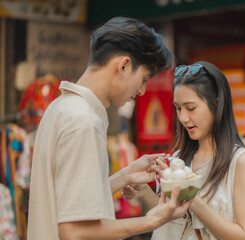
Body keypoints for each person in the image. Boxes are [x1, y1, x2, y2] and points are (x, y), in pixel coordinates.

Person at [27, 17, 192, 240]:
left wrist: (125, 175)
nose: (142, 90)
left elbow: (67, 202)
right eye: (143, 78)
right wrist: (154, 219)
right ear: (123, 66)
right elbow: (73, 232)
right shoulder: (84, 120)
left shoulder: (60, 107)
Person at [123, 61, 245, 239]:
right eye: (178, 108)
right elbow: (173, 218)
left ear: (216, 104)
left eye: (191, 108)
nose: (183, 117)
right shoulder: (179, 159)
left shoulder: (241, 161)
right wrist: (142, 189)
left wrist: (194, 199)